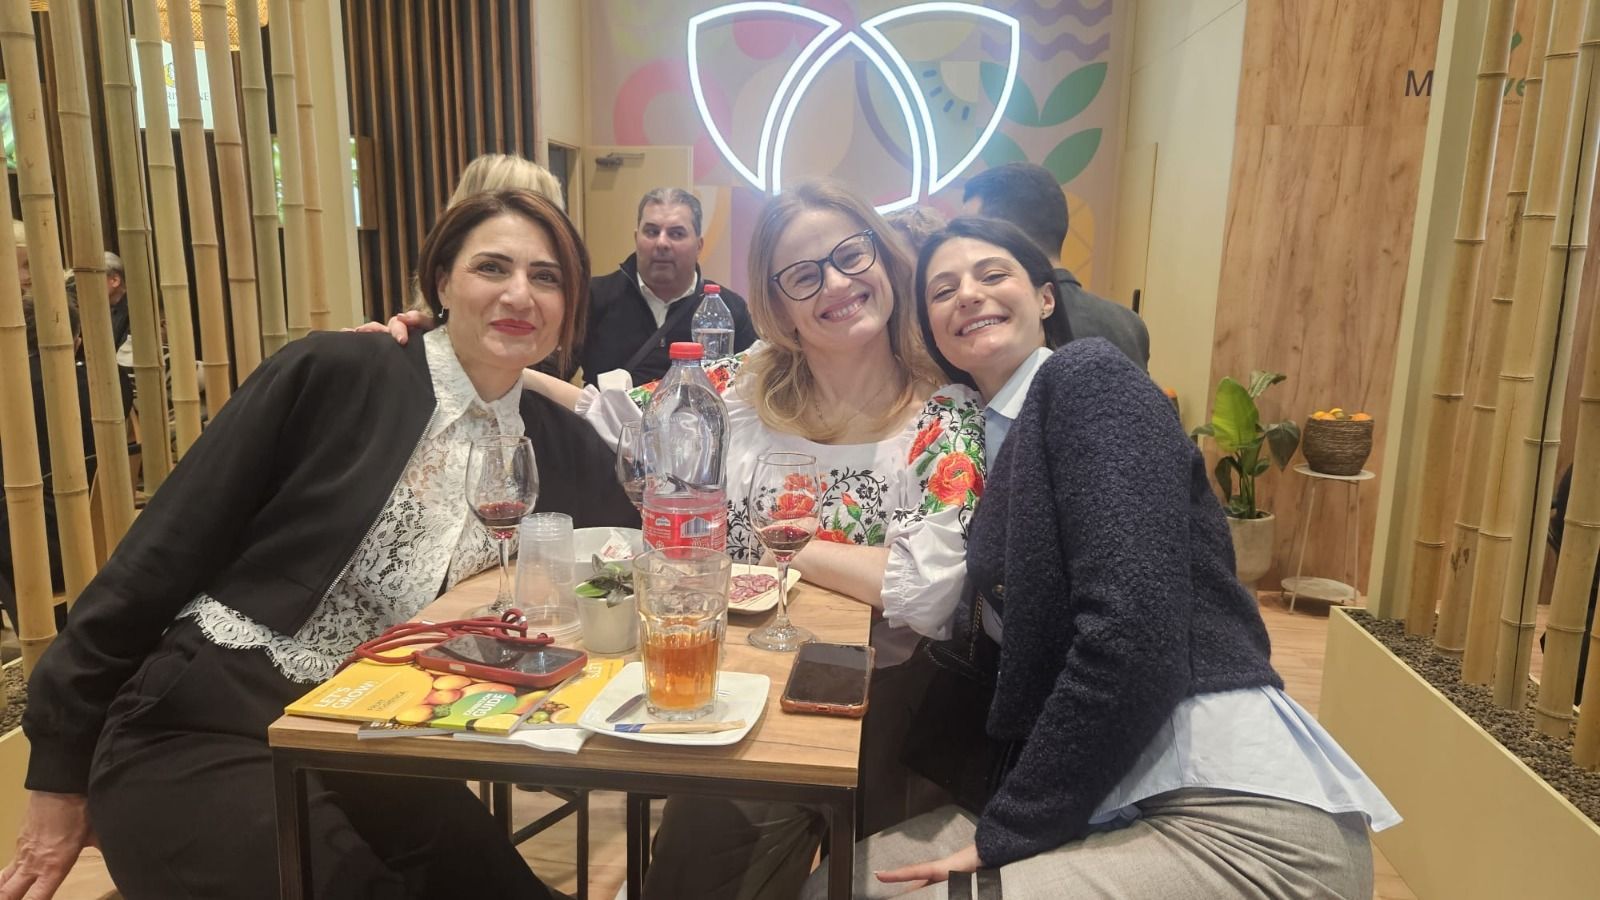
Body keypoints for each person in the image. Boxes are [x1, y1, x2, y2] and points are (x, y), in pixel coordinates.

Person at [0, 189, 638, 900]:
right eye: (492, 267)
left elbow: (652, 541)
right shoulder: (337, 373)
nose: (519, 293)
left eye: (547, 277)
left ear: (570, 306)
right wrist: (58, 770)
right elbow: (156, 556)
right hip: (202, 723)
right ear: (441, 283)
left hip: (371, 736)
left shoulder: (556, 442)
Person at [799, 217, 1398, 899]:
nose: (967, 294)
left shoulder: (1088, 379)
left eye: (992, 274)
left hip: (1228, 811)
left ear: (1045, 298)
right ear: (931, 330)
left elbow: (1132, 635)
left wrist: (1008, 832)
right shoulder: (980, 434)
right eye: (942, 290)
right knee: (836, 887)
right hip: (1107, 796)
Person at [962, 163, 1150, 370]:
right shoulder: (1129, 323)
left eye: (972, 233)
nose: (961, 244)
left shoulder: (1007, 328)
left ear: (1007, 233)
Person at [569, 187, 756, 385]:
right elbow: (552, 372)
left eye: (676, 234)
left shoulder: (728, 310)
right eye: (652, 232)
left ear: (699, 246)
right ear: (636, 238)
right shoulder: (593, 298)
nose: (662, 243)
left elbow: (754, 387)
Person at [0, 296, 95, 636]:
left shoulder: (10, 390)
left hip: (36, 545)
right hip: (102, 527)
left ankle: (34, 638)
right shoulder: (109, 384)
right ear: (76, 341)